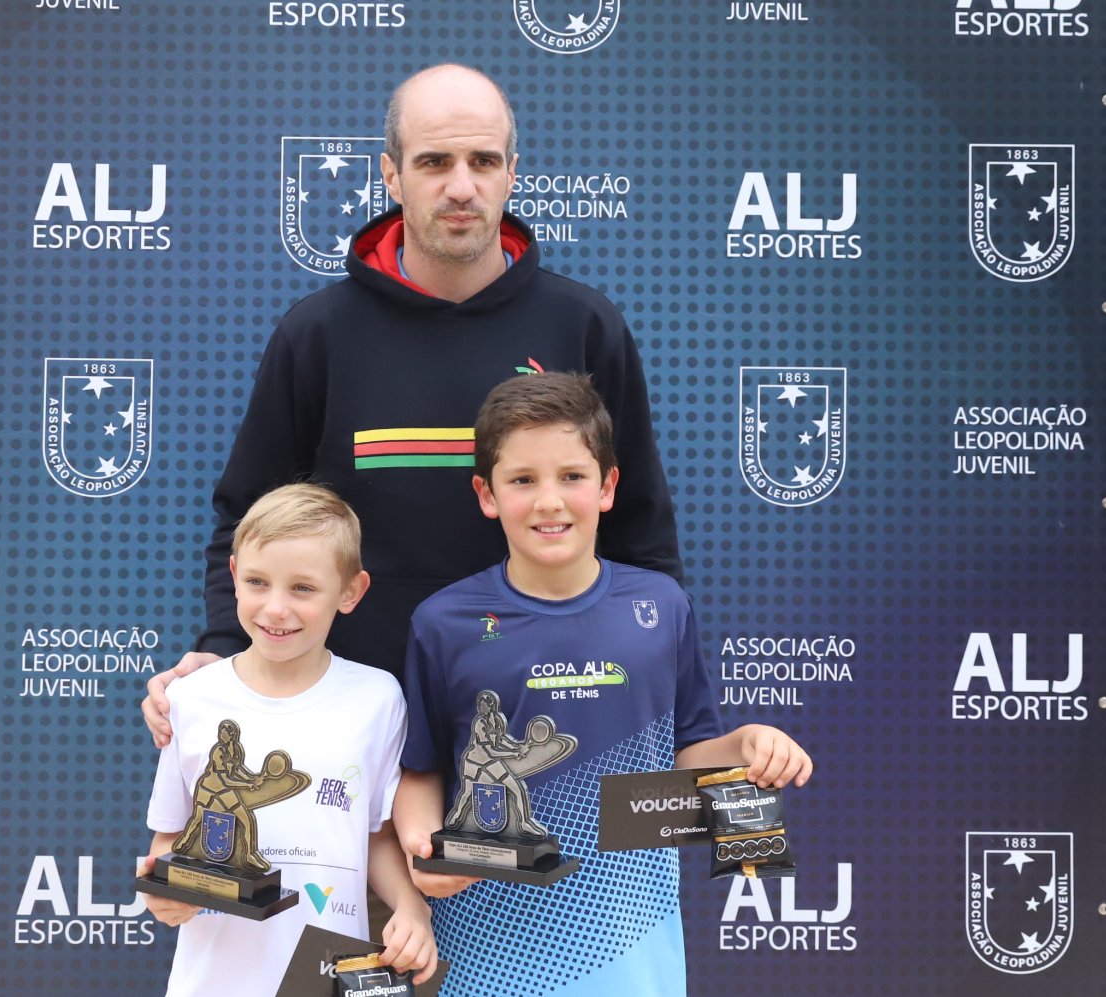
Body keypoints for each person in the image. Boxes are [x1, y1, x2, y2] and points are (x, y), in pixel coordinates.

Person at [143, 63, 682, 746]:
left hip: (547, 714)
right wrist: (226, 651)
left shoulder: (583, 326)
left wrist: (664, 680)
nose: (461, 186)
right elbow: (251, 517)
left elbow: (638, 527)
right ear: (392, 176)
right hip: (356, 722)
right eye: (434, 162)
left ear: (512, 173)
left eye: (483, 161)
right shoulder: (319, 334)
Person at [394, 373, 813, 996]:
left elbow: (689, 756)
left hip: (632, 956)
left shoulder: (661, 607)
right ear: (487, 494)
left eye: (572, 476)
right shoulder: (443, 622)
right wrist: (420, 848)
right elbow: (421, 770)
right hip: (484, 959)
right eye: (522, 480)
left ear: (608, 486)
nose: (549, 501)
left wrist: (749, 744)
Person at [139, 483, 437, 995]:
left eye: (302, 588)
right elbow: (171, 838)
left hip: (326, 980)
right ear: (234, 576)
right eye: (258, 582)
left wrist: (412, 908)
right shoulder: (191, 697)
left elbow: (376, 834)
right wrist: (164, 895)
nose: (276, 608)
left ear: (351, 591)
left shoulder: (377, 698)